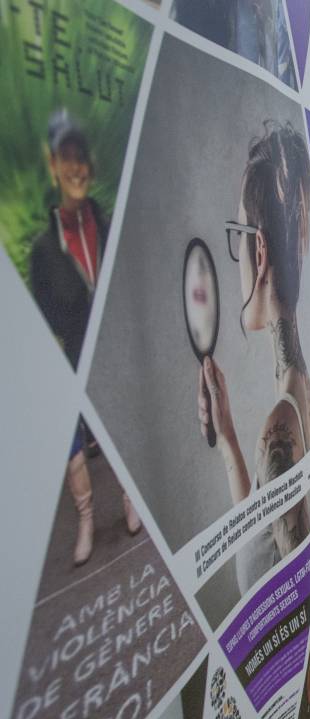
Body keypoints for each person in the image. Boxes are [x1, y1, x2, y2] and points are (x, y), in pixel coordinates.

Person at [198, 121, 310, 591]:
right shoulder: (297, 380)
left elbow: (300, 598)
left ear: (259, 250)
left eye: (238, 235)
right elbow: (264, 537)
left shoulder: (280, 424)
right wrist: (226, 434)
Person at [30, 112, 142, 564]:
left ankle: (131, 499)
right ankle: (86, 519)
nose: (75, 168)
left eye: (81, 158)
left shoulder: (108, 228)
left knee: (121, 428)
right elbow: (42, 318)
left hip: (113, 356)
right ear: (54, 166)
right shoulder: (44, 250)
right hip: (71, 361)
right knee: (73, 447)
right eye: (66, 158)